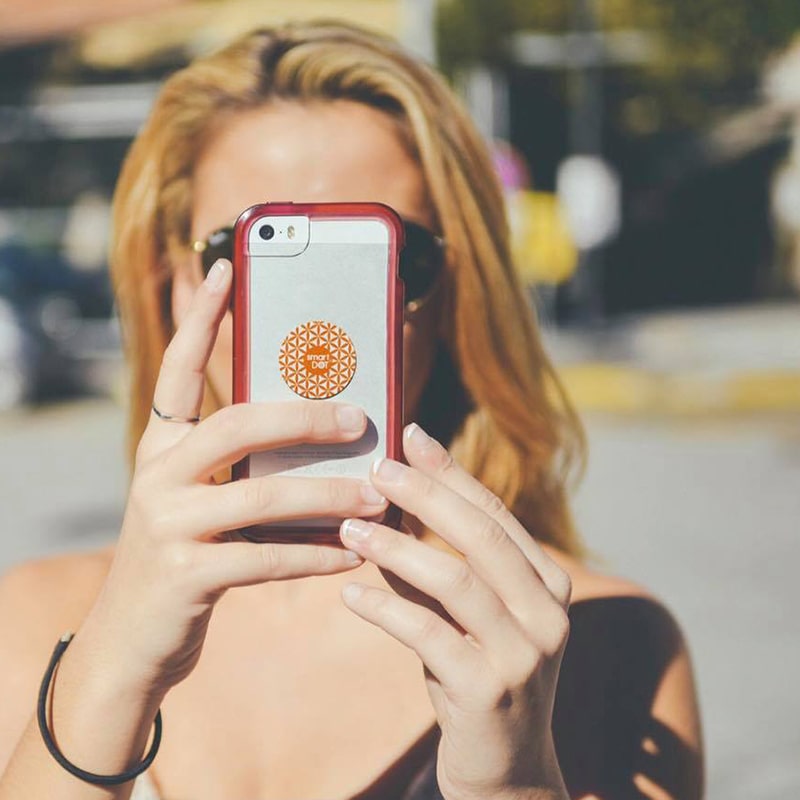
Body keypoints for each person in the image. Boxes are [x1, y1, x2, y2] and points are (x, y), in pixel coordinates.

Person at [0, 21, 703, 800]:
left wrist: (513, 780)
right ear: (170, 282)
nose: (322, 323)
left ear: (453, 297)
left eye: (382, 259)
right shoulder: (34, 621)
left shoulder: (598, 642)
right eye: (254, 256)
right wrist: (113, 673)